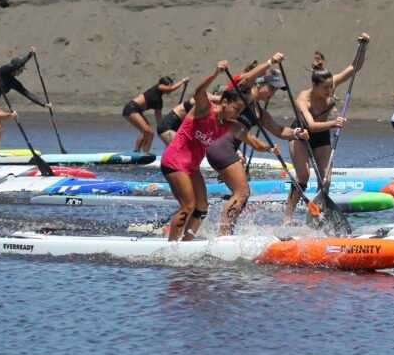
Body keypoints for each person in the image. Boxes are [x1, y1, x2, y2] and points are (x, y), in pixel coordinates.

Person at [160, 60, 277, 242]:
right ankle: (171, 247)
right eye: (236, 109)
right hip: (174, 161)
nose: (237, 114)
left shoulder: (229, 125)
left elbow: (252, 140)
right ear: (224, 101)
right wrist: (216, 73)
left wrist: (269, 148)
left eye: (241, 111)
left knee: (202, 209)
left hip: (191, 168)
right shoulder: (204, 109)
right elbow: (199, 91)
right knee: (188, 205)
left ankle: (186, 243)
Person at [206, 67, 309, 235]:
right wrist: (270, 63)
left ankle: (226, 233)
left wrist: (297, 133)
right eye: (271, 87)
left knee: (242, 195)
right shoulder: (243, 95)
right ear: (259, 83)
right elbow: (247, 78)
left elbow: (279, 131)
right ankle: (223, 236)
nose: (273, 93)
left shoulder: (260, 113)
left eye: (276, 89)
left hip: (225, 149)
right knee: (242, 193)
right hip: (222, 147)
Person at [283, 34, 369, 225]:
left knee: (326, 180)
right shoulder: (303, 99)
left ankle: (317, 215)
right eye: (325, 88)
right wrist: (334, 123)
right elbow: (311, 125)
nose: (330, 91)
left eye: (331, 86)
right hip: (301, 135)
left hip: (321, 137)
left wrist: (362, 46)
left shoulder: (331, 83)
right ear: (314, 85)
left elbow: (355, 67)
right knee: (303, 176)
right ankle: (287, 216)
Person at [0, 47, 44, 156]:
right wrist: (29, 56)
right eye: (21, 69)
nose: (22, 71)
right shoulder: (3, 71)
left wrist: (43, 103)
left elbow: (26, 93)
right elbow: (15, 65)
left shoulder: (14, 82)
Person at [123, 75, 190, 153]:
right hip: (131, 108)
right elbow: (172, 88)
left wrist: (164, 131)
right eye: (169, 86)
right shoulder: (157, 87)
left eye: (171, 86)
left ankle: (145, 154)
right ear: (162, 85)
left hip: (137, 111)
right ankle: (136, 151)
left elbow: (159, 121)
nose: (170, 90)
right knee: (146, 130)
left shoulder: (159, 102)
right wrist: (183, 80)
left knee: (151, 133)